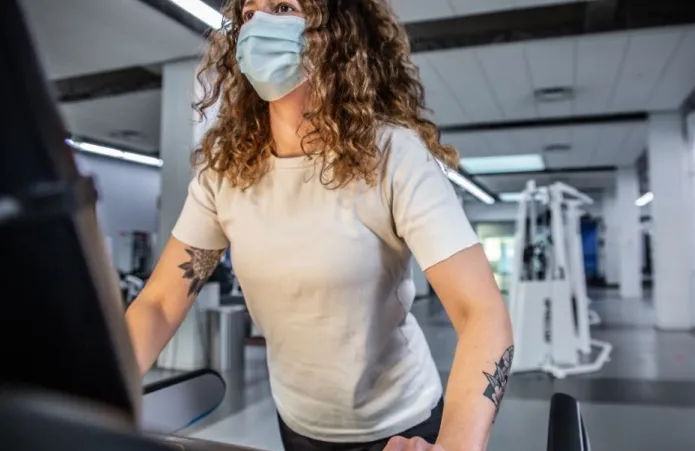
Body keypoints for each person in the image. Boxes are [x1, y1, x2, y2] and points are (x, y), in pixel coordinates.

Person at [125, 1, 514, 450]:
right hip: (298, 423)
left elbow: (482, 312)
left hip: (401, 425)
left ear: (336, 33)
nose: (260, 26)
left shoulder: (392, 157)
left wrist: (455, 447)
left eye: (284, 6)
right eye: (250, 13)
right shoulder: (225, 174)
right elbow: (158, 303)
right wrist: (97, 390)